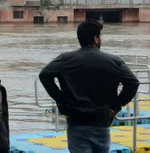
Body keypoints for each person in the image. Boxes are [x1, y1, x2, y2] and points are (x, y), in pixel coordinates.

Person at [39, 19, 139, 153]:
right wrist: (115, 106)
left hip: (76, 121)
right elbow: (133, 83)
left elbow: (44, 75)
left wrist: (61, 100)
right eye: (100, 36)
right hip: (101, 122)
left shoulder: (65, 59)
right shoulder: (114, 61)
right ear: (95, 38)